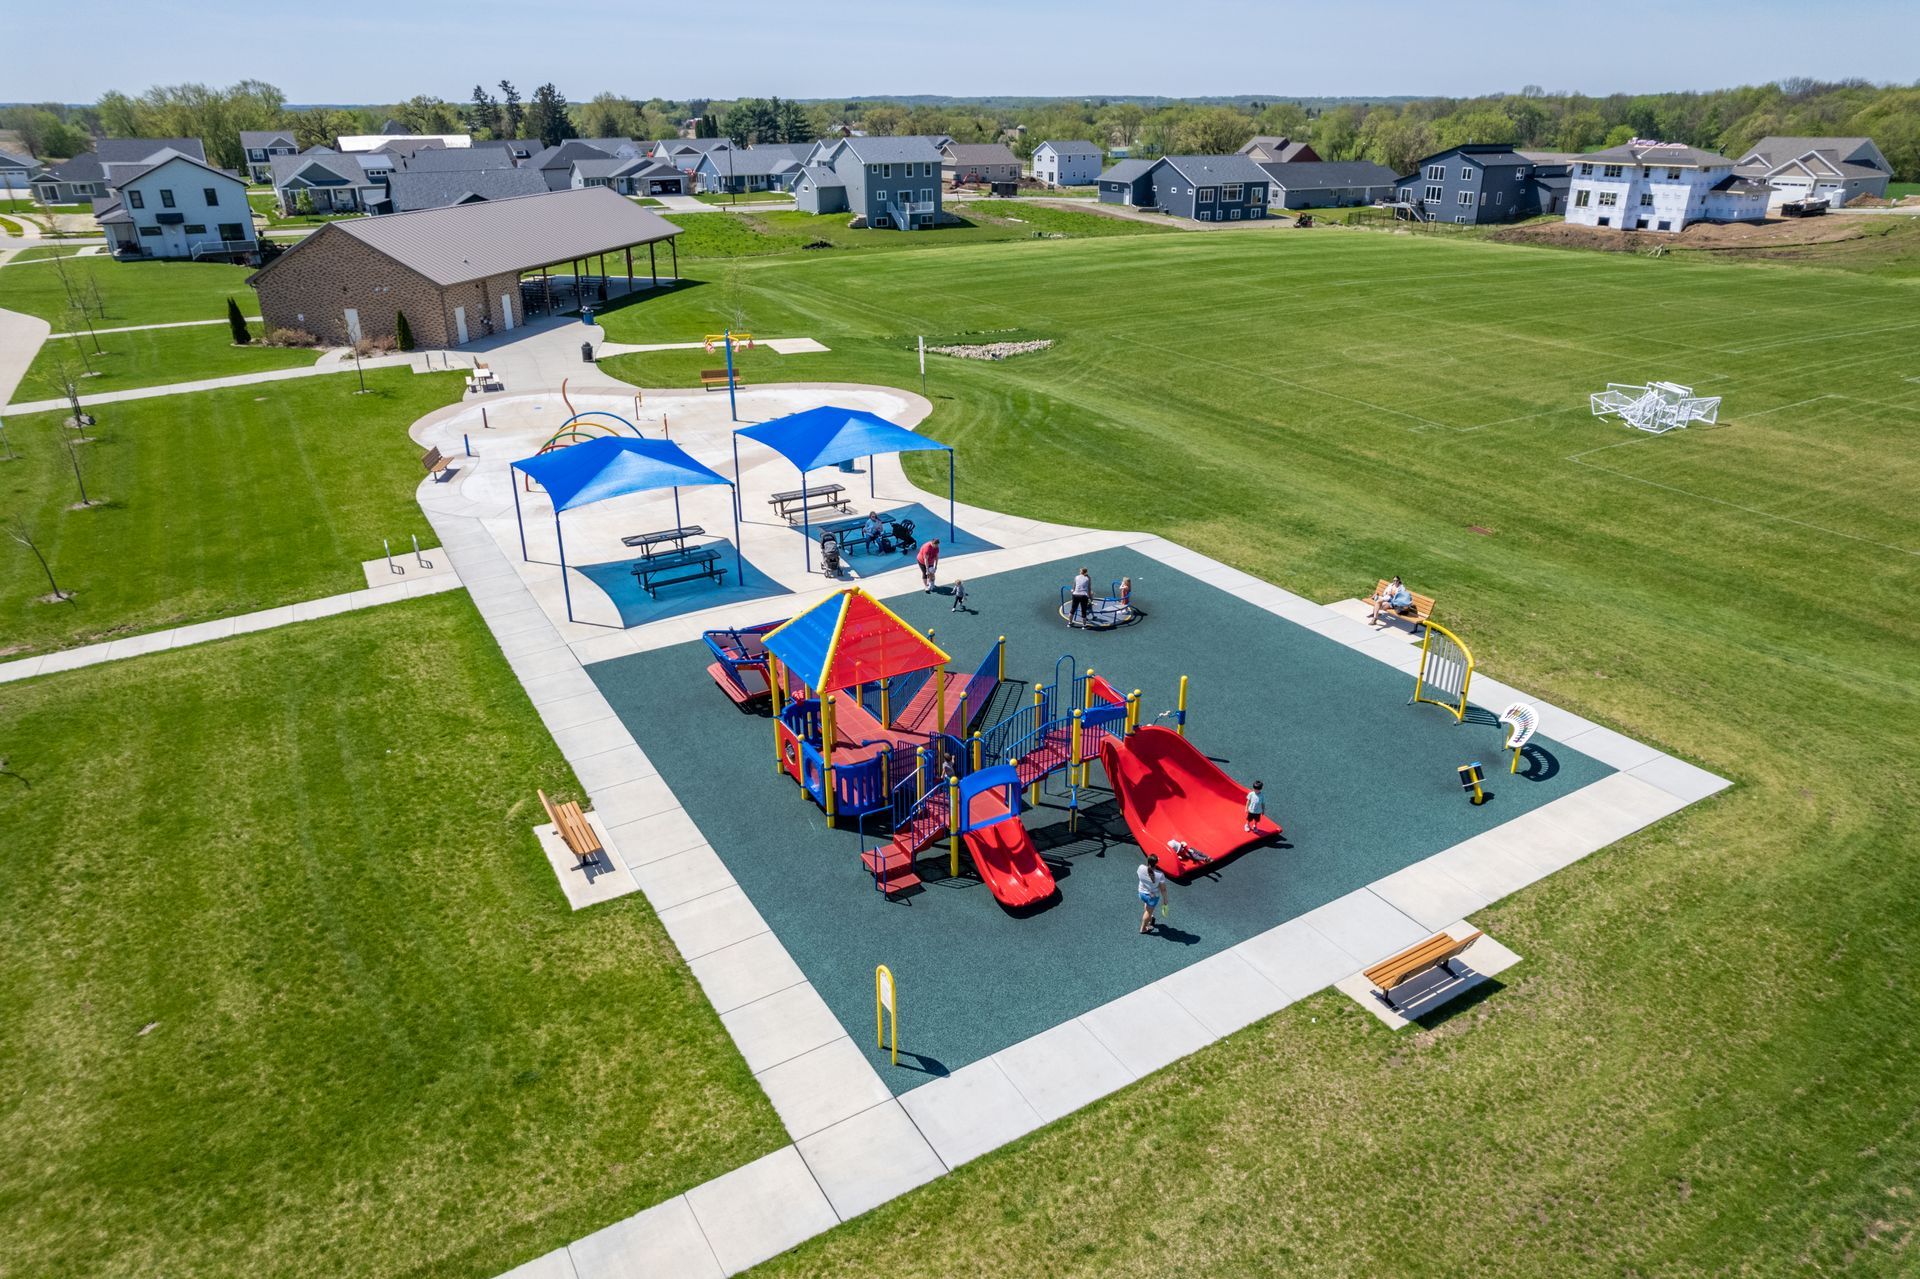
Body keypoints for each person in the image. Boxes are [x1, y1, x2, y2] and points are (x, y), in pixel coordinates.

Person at [1136, 850, 1169, 934]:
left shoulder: (1141, 867)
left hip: (1141, 893)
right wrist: (1165, 900)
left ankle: (1150, 918)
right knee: (1148, 912)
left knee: (1147, 906)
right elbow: (1163, 889)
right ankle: (1143, 929)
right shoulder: (1160, 874)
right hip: (1152, 897)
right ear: (1156, 863)